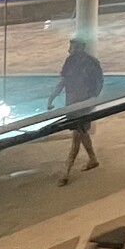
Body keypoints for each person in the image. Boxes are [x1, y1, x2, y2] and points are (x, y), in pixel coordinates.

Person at [46, 36, 105, 184]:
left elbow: (63, 83)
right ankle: (92, 159)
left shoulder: (87, 63)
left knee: (78, 135)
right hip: (76, 104)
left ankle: (66, 172)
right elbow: (64, 82)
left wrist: (52, 98)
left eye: (72, 46)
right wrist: (51, 98)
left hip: (80, 104)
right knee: (81, 133)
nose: (69, 49)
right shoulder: (74, 62)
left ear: (80, 47)